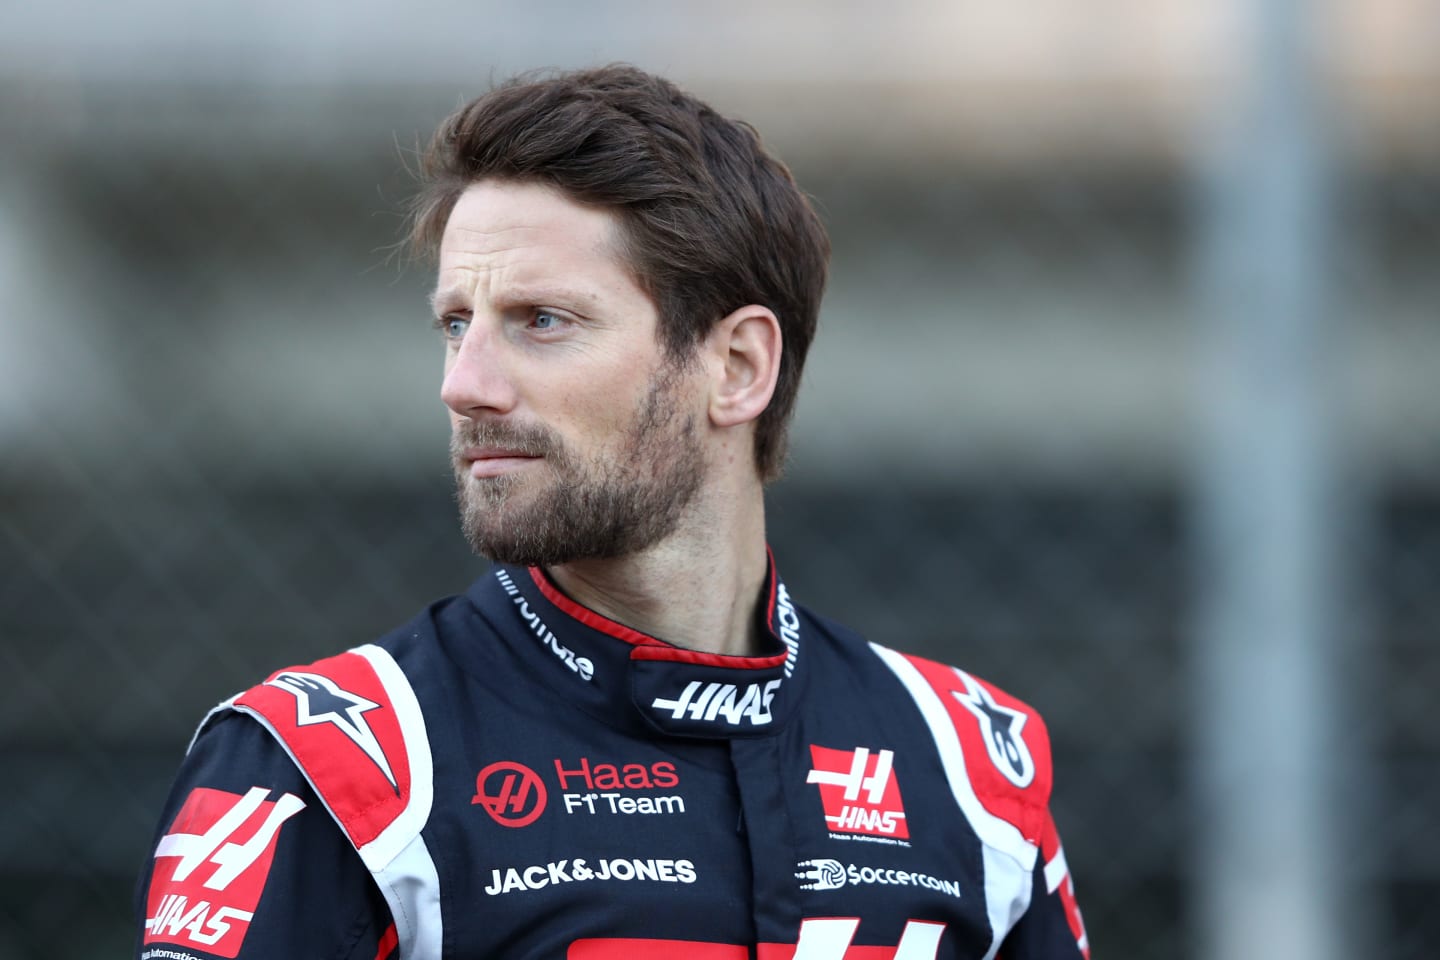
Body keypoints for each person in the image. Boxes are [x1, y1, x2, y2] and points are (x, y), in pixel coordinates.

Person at [135, 65, 1090, 960]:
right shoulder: (333, 767)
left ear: (737, 366)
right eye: (457, 323)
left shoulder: (972, 762)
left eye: (542, 321)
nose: (463, 386)